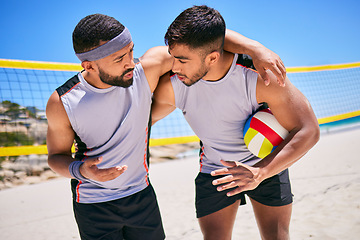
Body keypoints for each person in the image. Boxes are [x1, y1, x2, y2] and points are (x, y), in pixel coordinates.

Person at [46, 13, 287, 240]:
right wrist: (82, 171)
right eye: (119, 59)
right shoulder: (63, 102)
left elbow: (205, 39)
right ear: (89, 66)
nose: (131, 62)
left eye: (131, 51)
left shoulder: (147, 70)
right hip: (92, 203)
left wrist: (256, 49)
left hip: (141, 196)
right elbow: (56, 157)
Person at [152, 5, 320, 240]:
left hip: (266, 164)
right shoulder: (174, 84)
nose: (175, 66)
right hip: (215, 169)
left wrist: (260, 172)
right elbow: (139, 122)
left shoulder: (259, 76)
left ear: (212, 57)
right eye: (173, 58)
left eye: (182, 60)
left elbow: (308, 129)